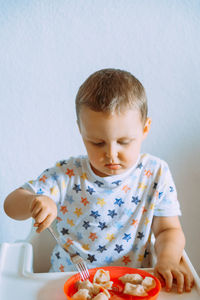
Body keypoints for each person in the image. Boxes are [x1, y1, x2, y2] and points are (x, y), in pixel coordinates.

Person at [4, 68, 193, 293]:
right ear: (81, 130)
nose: (111, 154)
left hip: (132, 286)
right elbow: (11, 204)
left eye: (124, 141)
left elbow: (168, 231)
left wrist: (168, 259)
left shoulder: (156, 173)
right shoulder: (67, 174)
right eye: (97, 143)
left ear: (145, 129)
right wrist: (32, 202)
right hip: (71, 284)